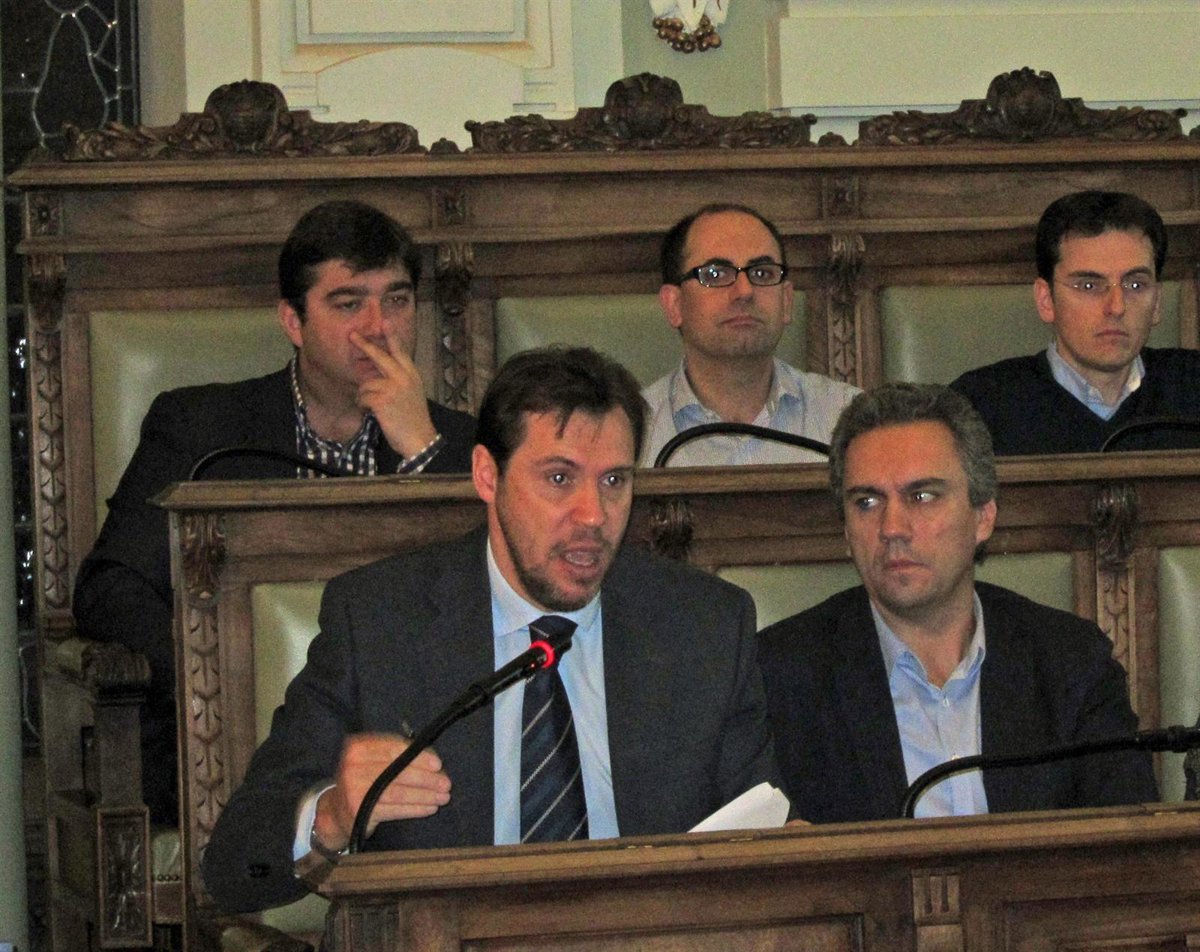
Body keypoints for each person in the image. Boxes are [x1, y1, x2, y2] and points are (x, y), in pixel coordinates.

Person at [201, 345, 777, 913]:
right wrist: (332, 816)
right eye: (559, 478)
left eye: (613, 481)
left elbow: (764, 838)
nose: (593, 515)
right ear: (486, 475)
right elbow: (233, 869)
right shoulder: (379, 622)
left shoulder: (703, 627)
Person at [73, 200, 477, 823]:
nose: (379, 328)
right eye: (348, 304)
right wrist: (221, 668)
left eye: (397, 300)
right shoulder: (200, 428)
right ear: (293, 320)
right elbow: (110, 589)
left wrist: (422, 449)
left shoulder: (463, 444)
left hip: (412, 744)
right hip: (236, 742)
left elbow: (486, 598)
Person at [757, 383, 1157, 823]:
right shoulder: (781, 676)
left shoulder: (1071, 663)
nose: (892, 528)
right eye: (867, 502)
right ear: (846, 531)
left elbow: (1130, 846)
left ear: (983, 517)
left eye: (922, 496)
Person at [950, 190, 1200, 454]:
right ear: (1046, 300)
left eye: (1135, 285)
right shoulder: (979, 408)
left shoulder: (1192, 387)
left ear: (1157, 301)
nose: (1116, 307)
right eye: (1089, 285)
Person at [640, 203, 860, 467]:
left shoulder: (848, 418)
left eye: (762, 273)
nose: (744, 291)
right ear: (674, 305)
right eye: (715, 274)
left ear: (786, 301)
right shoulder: (634, 431)